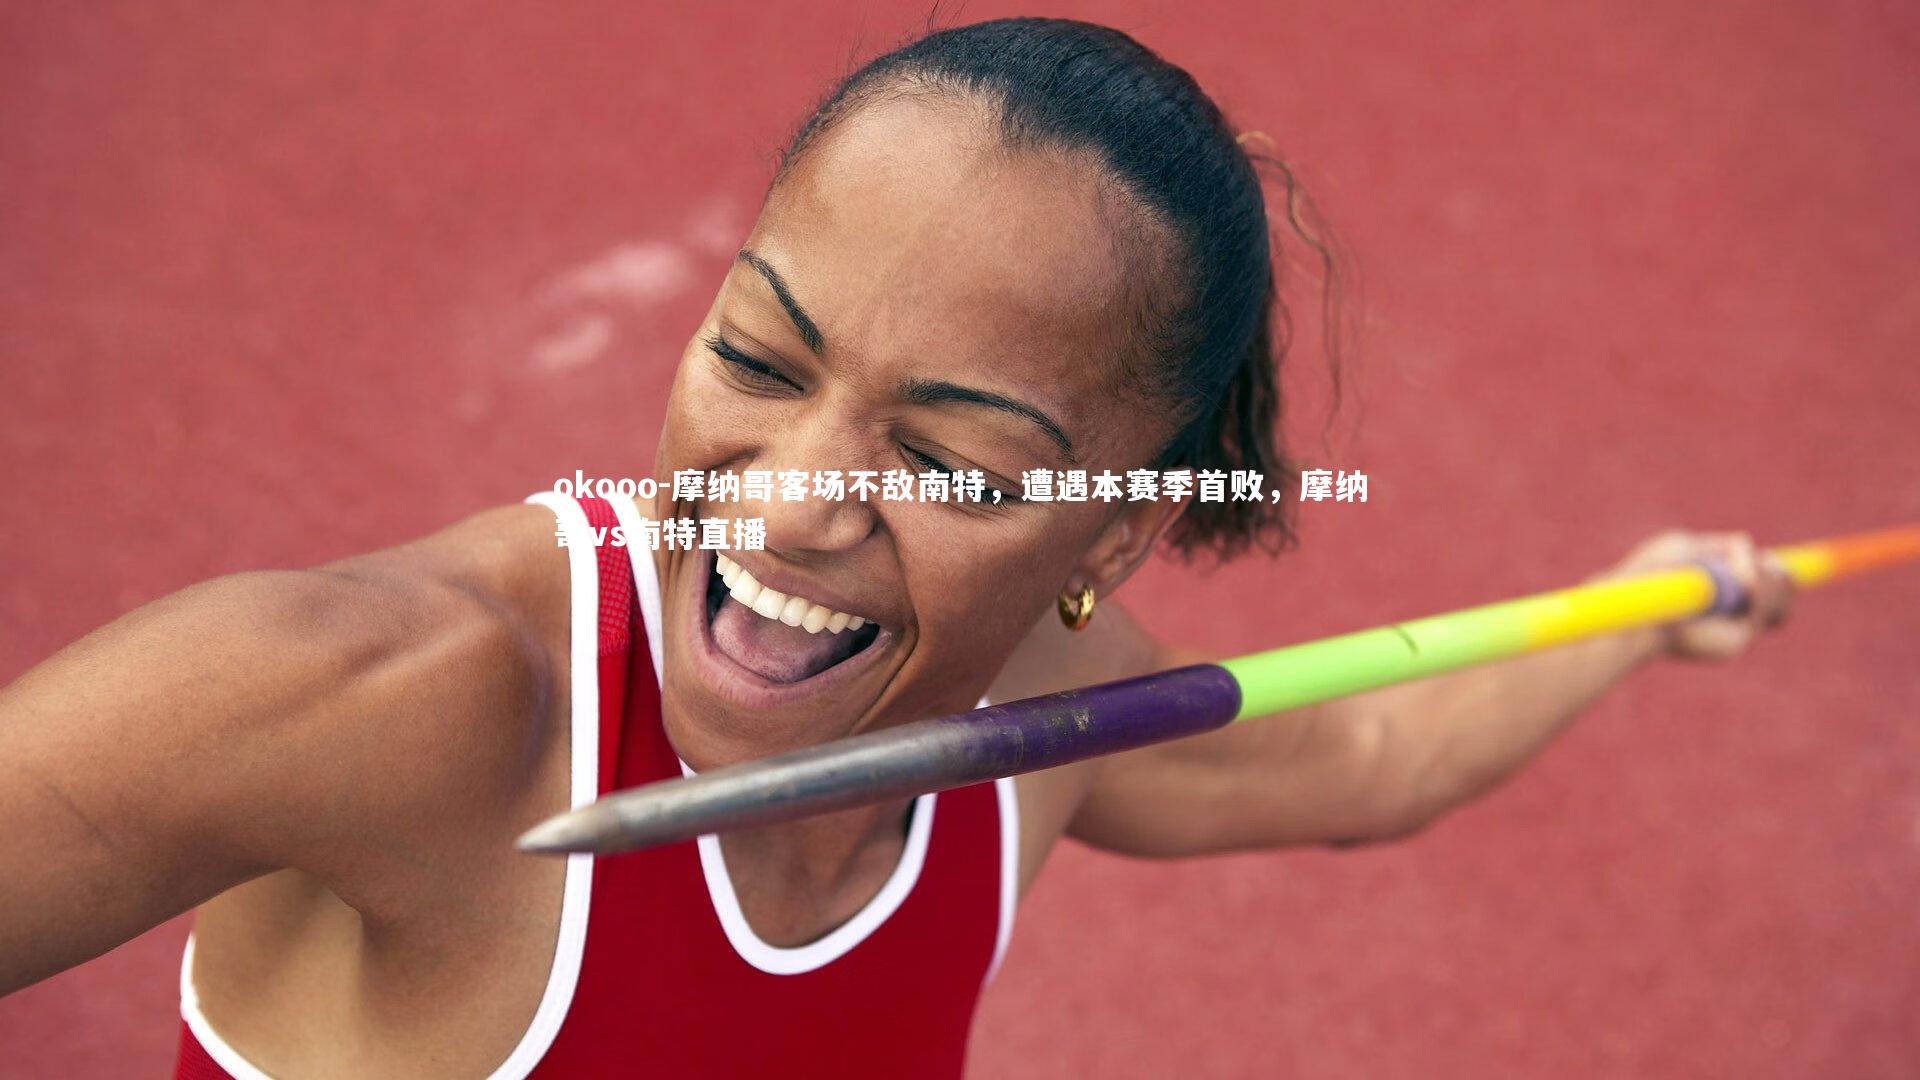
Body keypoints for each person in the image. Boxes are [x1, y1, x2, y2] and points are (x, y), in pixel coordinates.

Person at [0, 17, 1792, 1079]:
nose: (784, 497)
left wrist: (1643, 608)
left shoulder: (1057, 724)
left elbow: (1374, 752)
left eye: (951, 458)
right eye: (759, 364)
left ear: (1121, 525)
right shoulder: (390, 700)